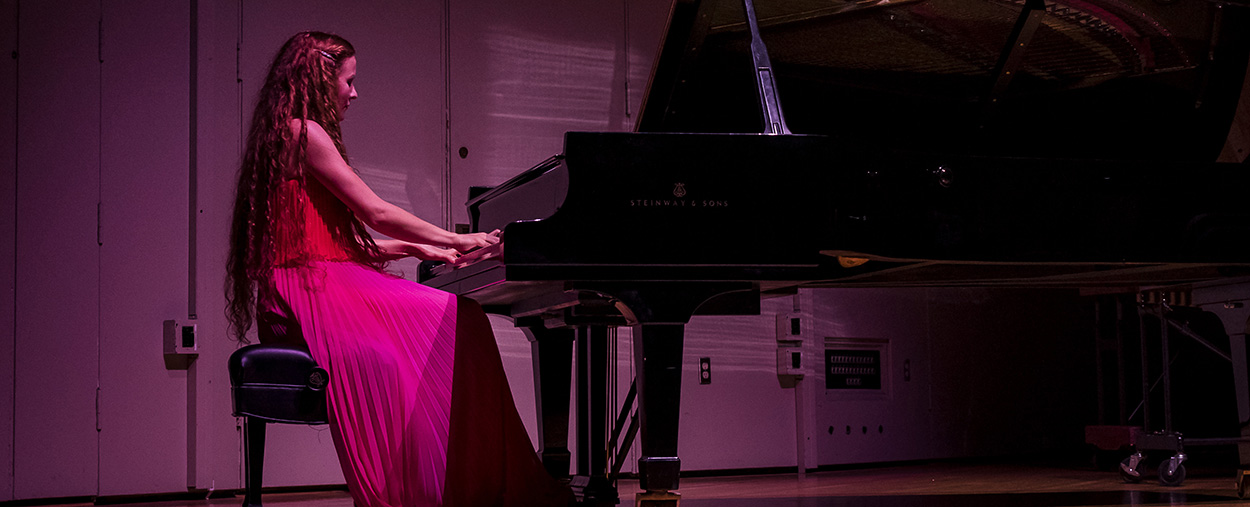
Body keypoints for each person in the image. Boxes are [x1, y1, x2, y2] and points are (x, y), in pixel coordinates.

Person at [225, 31, 571, 507]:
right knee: (461, 319)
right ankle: (454, 486)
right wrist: (455, 238)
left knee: (459, 320)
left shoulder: (287, 132)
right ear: (320, 78)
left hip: (306, 283)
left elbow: (339, 243)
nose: (354, 93)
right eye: (348, 81)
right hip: (308, 290)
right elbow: (376, 212)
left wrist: (416, 249)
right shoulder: (305, 132)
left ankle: (445, 482)